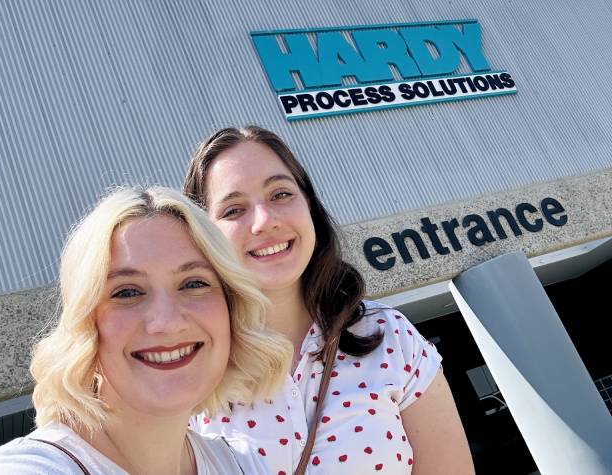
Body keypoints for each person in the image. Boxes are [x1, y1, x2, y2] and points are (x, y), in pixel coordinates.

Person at [184, 126, 475, 474]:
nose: (264, 221)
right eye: (233, 210)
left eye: (280, 194)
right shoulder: (188, 372)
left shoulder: (391, 336)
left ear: (309, 206)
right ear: (204, 237)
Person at [0, 186, 293, 475]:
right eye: (126, 292)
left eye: (194, 284)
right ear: (86, 325)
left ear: (231, 309)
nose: (166, 322)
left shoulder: (241, 463)